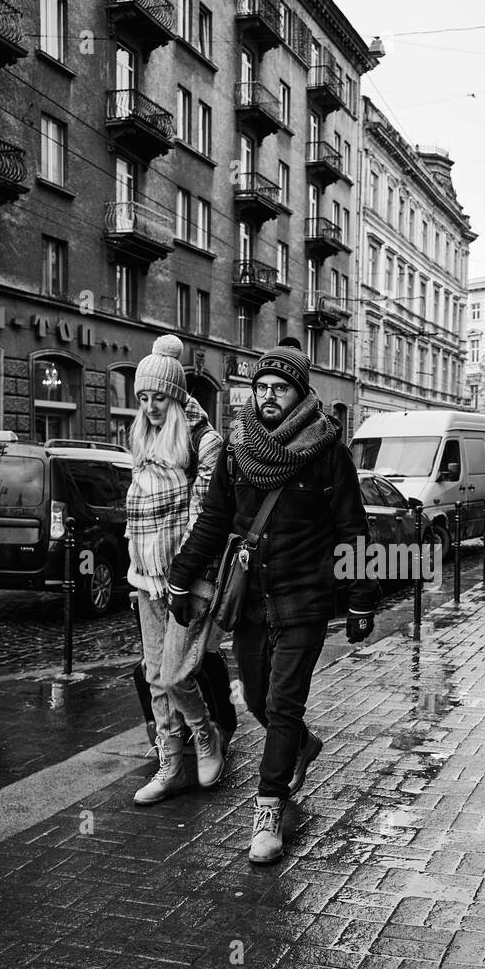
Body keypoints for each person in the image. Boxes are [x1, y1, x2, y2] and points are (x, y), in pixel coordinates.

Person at [166, 339, 379, 864]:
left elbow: (353, 529)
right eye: (260, 387)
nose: (267, 396)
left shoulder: (327, 452)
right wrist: (181, 575)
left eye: (278, 388)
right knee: (258, 699)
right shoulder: (239, 451)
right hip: (251, 600)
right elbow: (215, 520)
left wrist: (360, 599)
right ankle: (302, 746)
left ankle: (269, 808)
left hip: (305, 598)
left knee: (283, 705)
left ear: (300, 393)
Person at [126, 334, 226, 804]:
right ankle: (169, 763)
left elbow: (203, 519)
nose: (150, 407)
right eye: (143, 398)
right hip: (146, 579)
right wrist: (138, 573)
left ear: (177, 395)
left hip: (188, 581)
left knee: (174, 675)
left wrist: (179, 581)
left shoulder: (204, 443)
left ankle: (205, 733)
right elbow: (138, 515)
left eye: (159, 397)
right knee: (153, 674)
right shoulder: (143, 442)